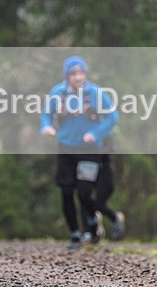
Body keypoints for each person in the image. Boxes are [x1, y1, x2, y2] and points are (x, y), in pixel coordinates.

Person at [40, 55, 125, 249]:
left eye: (81, 73)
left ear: (85, 74)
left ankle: (93, 224)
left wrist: (95, 133)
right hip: (65, 147)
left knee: (85, 192)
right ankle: (75, 235)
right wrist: (46, 126)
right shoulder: (58, 93)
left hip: (89, 150)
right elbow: (46, 114)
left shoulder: (95, 93)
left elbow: (112, 117)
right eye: (73, 74)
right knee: (66, 191)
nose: (78, 78)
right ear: (67, 76)